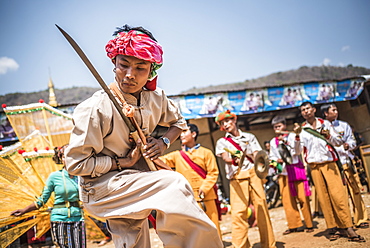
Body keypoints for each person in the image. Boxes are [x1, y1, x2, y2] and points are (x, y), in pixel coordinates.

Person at [65, 24, 223, 248]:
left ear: (152, 70)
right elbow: (76, 164)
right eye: (124, 65)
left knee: (132, 242)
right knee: (173, 184)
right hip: (103, 188)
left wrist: (163, 142)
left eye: (140, 67)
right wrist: (122, 162)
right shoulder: (96, 108)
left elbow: (179, 123)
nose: (130, 75)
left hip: (139, 180)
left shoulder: (156, 98)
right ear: (114, 64)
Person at [294, 101, 365, 242]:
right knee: (324, 198)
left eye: (308, 108)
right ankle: (333, 227)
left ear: (314, 110)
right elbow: (297, 152)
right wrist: (296, 137)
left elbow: (338, 142)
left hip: (330, 164)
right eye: (303, 110)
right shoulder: (301, 130)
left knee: (338, 196)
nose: (306, 111)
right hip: (315, 167)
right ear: (302, 113)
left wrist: (328, 136)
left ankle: (348, 227)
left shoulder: (325, 124)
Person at [214, 110, 276, 248]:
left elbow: (256, 155)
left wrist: (264, 164)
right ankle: (241, 246)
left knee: (261, 209)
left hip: (254, 174)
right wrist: (234, 160)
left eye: (228, 121)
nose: (226, 124)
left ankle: (269, 245)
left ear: (234, 120)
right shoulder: (222, 141)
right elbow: (225, 157)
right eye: (223, 123)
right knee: (238, 213)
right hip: (237, 177)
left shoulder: (249, 137)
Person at [11, 145, 86, 248]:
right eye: (65, 156)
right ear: (61, 158)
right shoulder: (54, 177)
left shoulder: (82, 176)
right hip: (59, 220)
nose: (69, 159)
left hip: (78, 218)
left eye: (72, 155)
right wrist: (24, 210)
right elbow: (41, 200)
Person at [160, 123, 222, 237]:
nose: (181, 135)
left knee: (213, 228)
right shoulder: (176, 155)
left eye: (184, 132)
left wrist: (205, 188)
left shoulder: (206, 152)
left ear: (193, 134)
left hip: (207, 196)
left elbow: (213, 173)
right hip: (188, 198)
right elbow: (159, 160)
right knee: (194, 231)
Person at [321, 103, 369, 229]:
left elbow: (352, 141)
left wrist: (348, 145)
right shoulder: (321, 127)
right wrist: (340, 146)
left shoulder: (344, 125)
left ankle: (361, 218)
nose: (336, 111)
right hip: (333, 164)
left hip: (347, 161)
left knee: (355, 189)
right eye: (333, 110)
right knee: (339, 194)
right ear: (326, 113)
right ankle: (345, 222)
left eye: (336, 109)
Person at [269, 116, 313, 235]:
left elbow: (298, 151)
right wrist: (275, 160)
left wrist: (287, 142)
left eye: (279, 126)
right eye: (275, 127)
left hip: (296, 169)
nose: (277, 128)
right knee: (287, 200)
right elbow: (272, 156)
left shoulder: (293, 136)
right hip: (283, 172)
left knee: (303, 198)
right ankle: (294, 225)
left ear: (284, 125)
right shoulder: (273, 141)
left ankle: (309, 223)